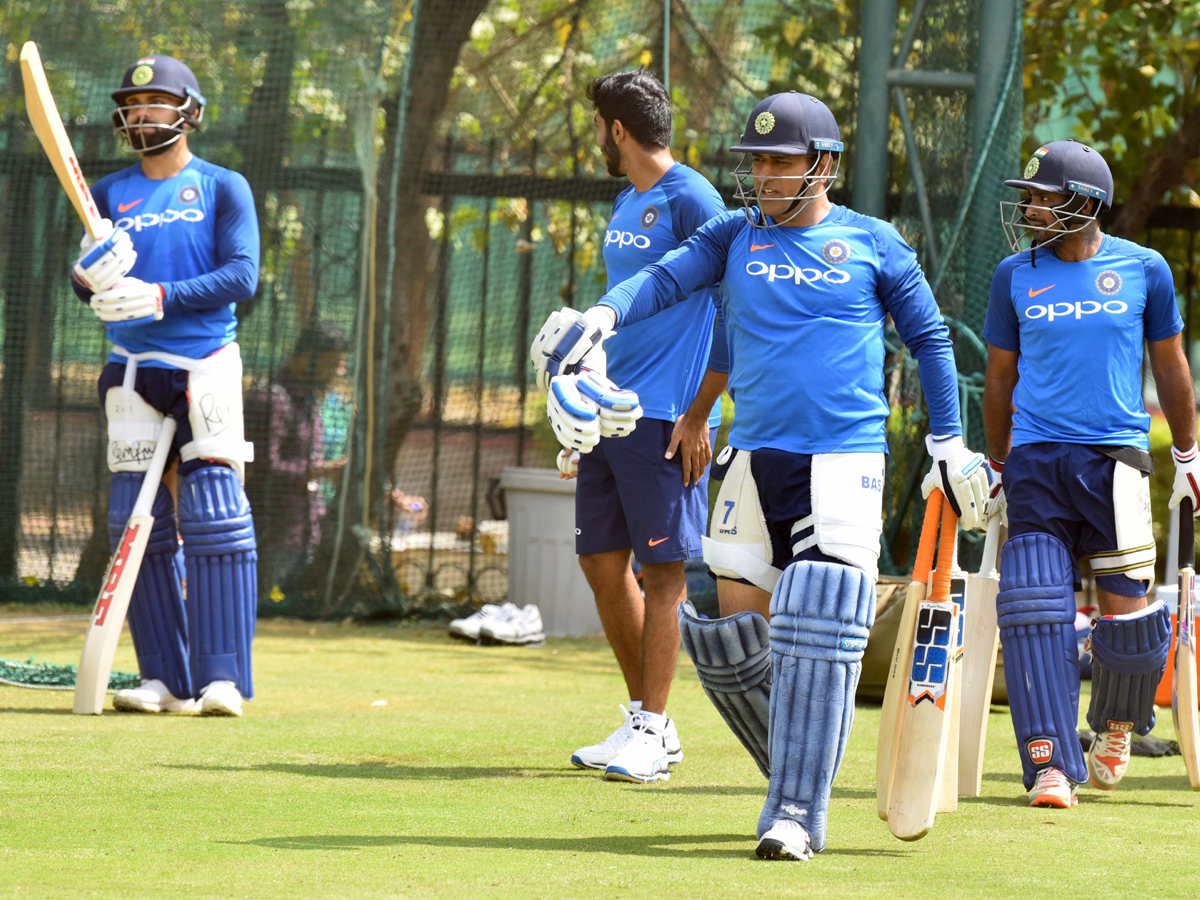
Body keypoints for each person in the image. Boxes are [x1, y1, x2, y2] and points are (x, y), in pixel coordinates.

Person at [531, 91, 989, 860]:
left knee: (818, 623)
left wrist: (948, 442)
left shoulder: (873, 243)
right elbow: (665, 280)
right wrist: (602, 319)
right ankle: (799, 774)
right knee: (734, 644)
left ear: (825, 166)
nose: (766, 175)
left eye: (781, 161)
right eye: (758, 161)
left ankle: (796, 816)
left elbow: (931, 339)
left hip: (842, 460)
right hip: (752, 460)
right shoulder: (734, 236)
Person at [982, 139, 1197, 807]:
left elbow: (1170, 367)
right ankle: (1050, 764)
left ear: (1086, 203)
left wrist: (1188, 457)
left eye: (1045, 197)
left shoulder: (1145, 269)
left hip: (1118, 462)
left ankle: (1115, 723)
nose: (1031, 207)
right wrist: (995, 466)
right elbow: (998, 379)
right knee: (1033, 610)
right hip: (1038, 461)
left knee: (1130, 626)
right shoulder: (1013, 275)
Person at [535, 70, 729, 784]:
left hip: (664, 420)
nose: (598, 137)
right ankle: (649, 721)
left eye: (598, 125)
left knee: (665, 573)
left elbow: (726, 309)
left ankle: (653, 725)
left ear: (617, 129)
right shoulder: (627, 199)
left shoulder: (694, 197)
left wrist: (700, 412)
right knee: (599, 563)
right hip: (608, 410)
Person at [69, 54, 260, 716]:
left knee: (215, 516)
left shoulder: (222, 186)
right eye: (133, 102)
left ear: (189, 111)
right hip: (129, 370)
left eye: (155, 100)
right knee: (133, 523)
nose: (141, 112)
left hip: (204, 363)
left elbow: (242, 276)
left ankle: (221, 679)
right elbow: (82, 278)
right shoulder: (108, 192)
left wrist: (158, 296)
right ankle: (163, 677)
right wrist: (89, 276)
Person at [244, 320, 349, 592]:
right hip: (272, 533)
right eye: (332, 363)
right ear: (306, 358)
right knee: (268, 604)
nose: (339, 371)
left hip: (305, 531)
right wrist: (321, 471)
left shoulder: (309, 400)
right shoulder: (272, 399)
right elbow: (263, 467)